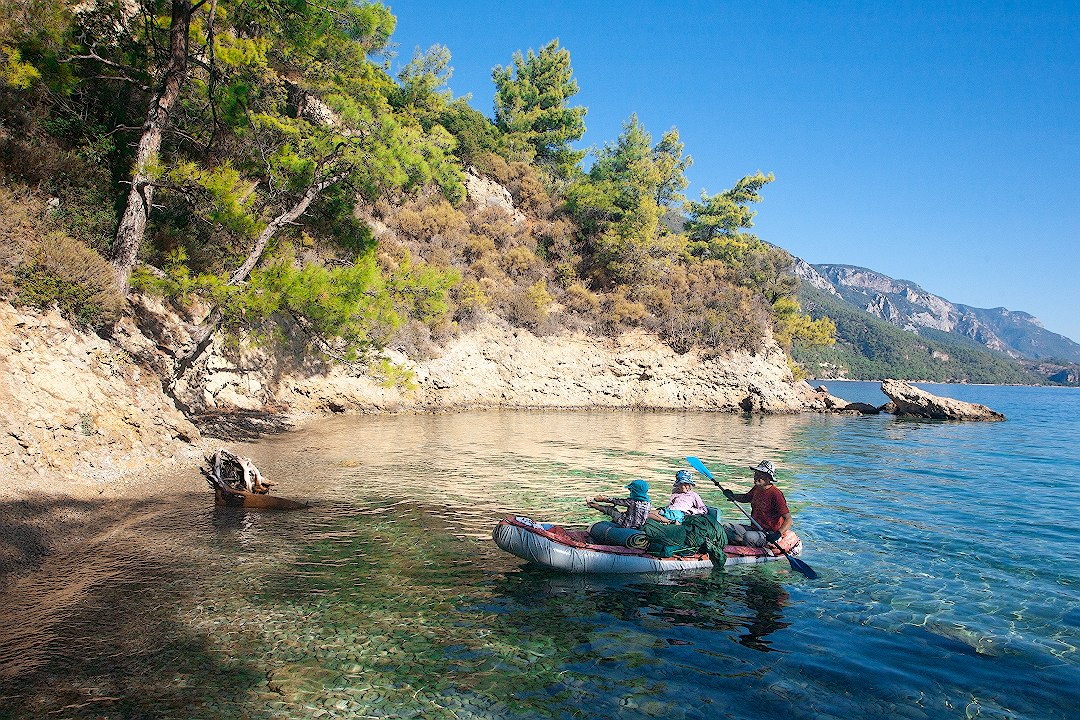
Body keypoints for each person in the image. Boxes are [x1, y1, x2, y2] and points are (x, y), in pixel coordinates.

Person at [721, 460, 792, 547]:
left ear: (768, 478)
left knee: (748, 537)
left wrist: (777, 534)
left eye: (760, 475)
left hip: (769, 533)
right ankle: (741, 543)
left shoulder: (776, 494)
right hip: (755, 529)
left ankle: (744, 544)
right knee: (727, 527)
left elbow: (789, 520)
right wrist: (732, 495)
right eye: (756, 474)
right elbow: (746, 498)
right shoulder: (757, 488)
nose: (756, 477)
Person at [587, 479, 651, 529]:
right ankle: (592, 504)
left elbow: (617, 501)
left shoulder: (632, 502)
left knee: (610, 510)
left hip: (627, 524)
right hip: (639, 525)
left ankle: (591, 504)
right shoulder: (648, 503)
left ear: (634, 491)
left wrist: (602, 499)